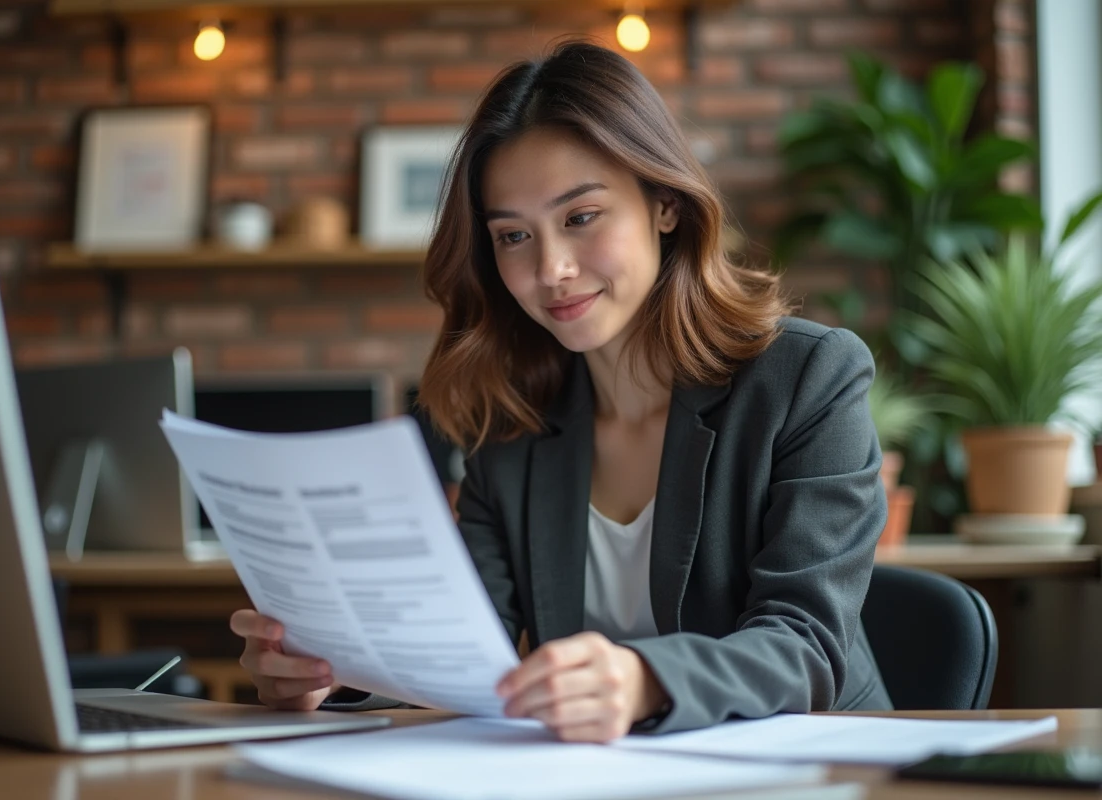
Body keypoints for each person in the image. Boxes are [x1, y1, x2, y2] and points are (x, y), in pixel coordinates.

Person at [230, 39, 893, 742]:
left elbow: (807, 642)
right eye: (513, 236)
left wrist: (645, 680)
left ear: (664, 204)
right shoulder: (509, 422)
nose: (551, 269)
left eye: (580, 218)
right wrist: (336, 671)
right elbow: (459, 645)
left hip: (816, 768)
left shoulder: (809, 379)